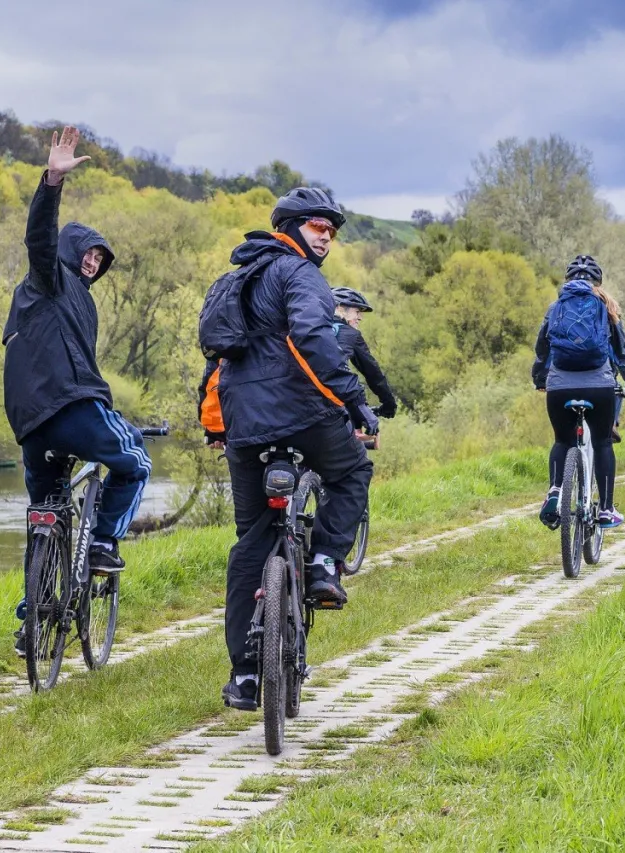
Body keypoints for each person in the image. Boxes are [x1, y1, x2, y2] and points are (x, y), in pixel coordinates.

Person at [217, 187, 377, 711]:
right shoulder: (299, 273)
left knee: (253, 542)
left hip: (244, 426)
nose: (326, 236)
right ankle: (326, 562)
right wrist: (355, 402)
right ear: (289, 226)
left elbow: (217, 357)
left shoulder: (234, 279)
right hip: (301, 413)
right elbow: (311, 340)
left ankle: (244, 674)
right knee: (352, 471)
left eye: (332, 230)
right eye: (317, 226)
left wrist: (220, 424)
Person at [3, 129, 153, 659]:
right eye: (87, 252)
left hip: (28, 423)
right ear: (69, 252)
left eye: (100, 258)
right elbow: (39, 239)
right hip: (69, 406)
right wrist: (52, 181)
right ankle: (105, 546)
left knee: (44, 513)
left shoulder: (54, 303)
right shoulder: (49, 279)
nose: (93, 261)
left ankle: (31, 618)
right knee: (136, 462)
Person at [533, 255, 625, 529]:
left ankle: (556, 493)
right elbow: (621, 354)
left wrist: (540, 379)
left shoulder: (555, 307)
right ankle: (606, 509)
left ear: (568, 281)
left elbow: (542, 350)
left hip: (560, 387)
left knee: (562, 441)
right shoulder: (606, 308)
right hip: (599, 387)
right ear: (598, 283)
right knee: (603, 442)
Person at [330, 287, 397, 420]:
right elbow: (372, 372)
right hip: (328, 406)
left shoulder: (312, 328)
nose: (360, 317)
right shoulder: (350, 334)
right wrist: (389, 404)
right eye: (357, 311)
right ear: (340, 308)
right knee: (365, 437)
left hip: (293, 400)